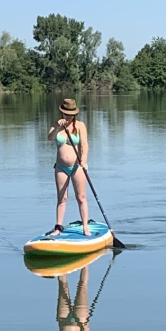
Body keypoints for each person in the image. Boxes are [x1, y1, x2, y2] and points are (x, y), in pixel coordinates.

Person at [46, 98, 91, 237]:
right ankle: (58, 227)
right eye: (65, 113)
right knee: (61, 198)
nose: (68, 116)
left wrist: (83, 160)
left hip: (77, 167)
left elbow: (84, 145)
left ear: (74, 114)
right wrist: (58, 128)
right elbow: (50, 137)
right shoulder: (56, 124)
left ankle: (85, 227)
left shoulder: (80, 125)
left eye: (70, 114)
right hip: (61, 167)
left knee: (81, 197)